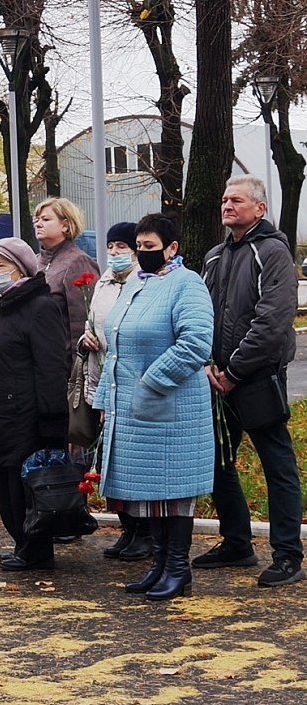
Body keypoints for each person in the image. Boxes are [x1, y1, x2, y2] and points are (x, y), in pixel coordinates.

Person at [94, 214, 215, 599]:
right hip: (133, 409)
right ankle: (160, 565)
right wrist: (105, 399)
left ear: (172, 247)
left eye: (150, 247)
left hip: (171, 409)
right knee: (151, 495)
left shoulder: (187, 284)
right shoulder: (137, 284)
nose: (143, 253)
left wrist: (152, 381)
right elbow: (115, 344)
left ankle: (179, 569)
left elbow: (196, 343)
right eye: (140, 247)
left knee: (173, 494)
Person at [197, 175, 304, 587]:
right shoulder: (214, 256)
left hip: (256, 378)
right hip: (217, 379)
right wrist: (208, 363)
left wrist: (235, 371)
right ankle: (236, 542)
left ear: (259, 208)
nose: (227, 205)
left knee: (277, 465)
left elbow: (273, 321)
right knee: (217, 463)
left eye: (236, 200)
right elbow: (201, 315)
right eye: (224, 199)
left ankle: (287, 555)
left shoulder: (272, 252)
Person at [0, 237, 70, 571]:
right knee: (4, 485)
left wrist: (52, 421)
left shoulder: (40, 306)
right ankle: (23, 543)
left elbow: (52, 366)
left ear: (21, 269)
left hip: (26, 415)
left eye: (2, 267)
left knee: (24, 488)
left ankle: (36, 548)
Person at [80, 222, 145, 559]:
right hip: (99, 380)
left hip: (128, 384)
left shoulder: (143, 281)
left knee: (130, 463)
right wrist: (85, 339)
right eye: (111, 246)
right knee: (108, 463)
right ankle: (127, 530)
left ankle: (143, 533)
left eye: (123, 246)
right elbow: (92, 322)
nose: (116, 253)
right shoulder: (104, 281)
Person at [33, 196, 96, 351]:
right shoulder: (34, 261)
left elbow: (81, 321)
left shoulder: (78, 262)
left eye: (46, 219)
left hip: (61, 359)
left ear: (65, 226)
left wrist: (76, 365)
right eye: (36, 219)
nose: (38, 224)